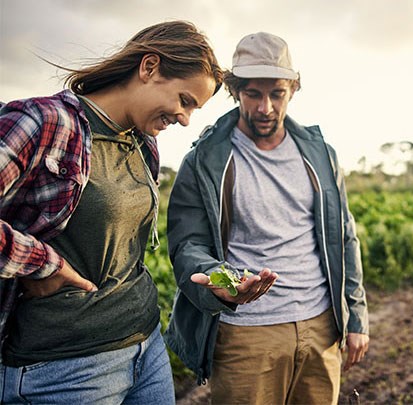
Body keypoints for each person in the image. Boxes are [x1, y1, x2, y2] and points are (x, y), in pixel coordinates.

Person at [0, 21, 223, 404]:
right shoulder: (44, 122)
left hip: (145, 347)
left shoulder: (144, 145)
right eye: (185, 100)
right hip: (61, 370)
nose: (186, 119)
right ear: (149, 67)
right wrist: (41, 262)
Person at [164, 32, 370, 404]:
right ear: (234, 91)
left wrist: (354, 318)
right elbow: (187, 245)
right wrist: (215, 280)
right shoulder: (204, 160)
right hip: (245, 334)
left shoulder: (320, 153)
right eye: (253, 94)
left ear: (292, 89)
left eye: (277, 93)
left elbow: (344, 236)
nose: (265, 108)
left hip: (321, 326)